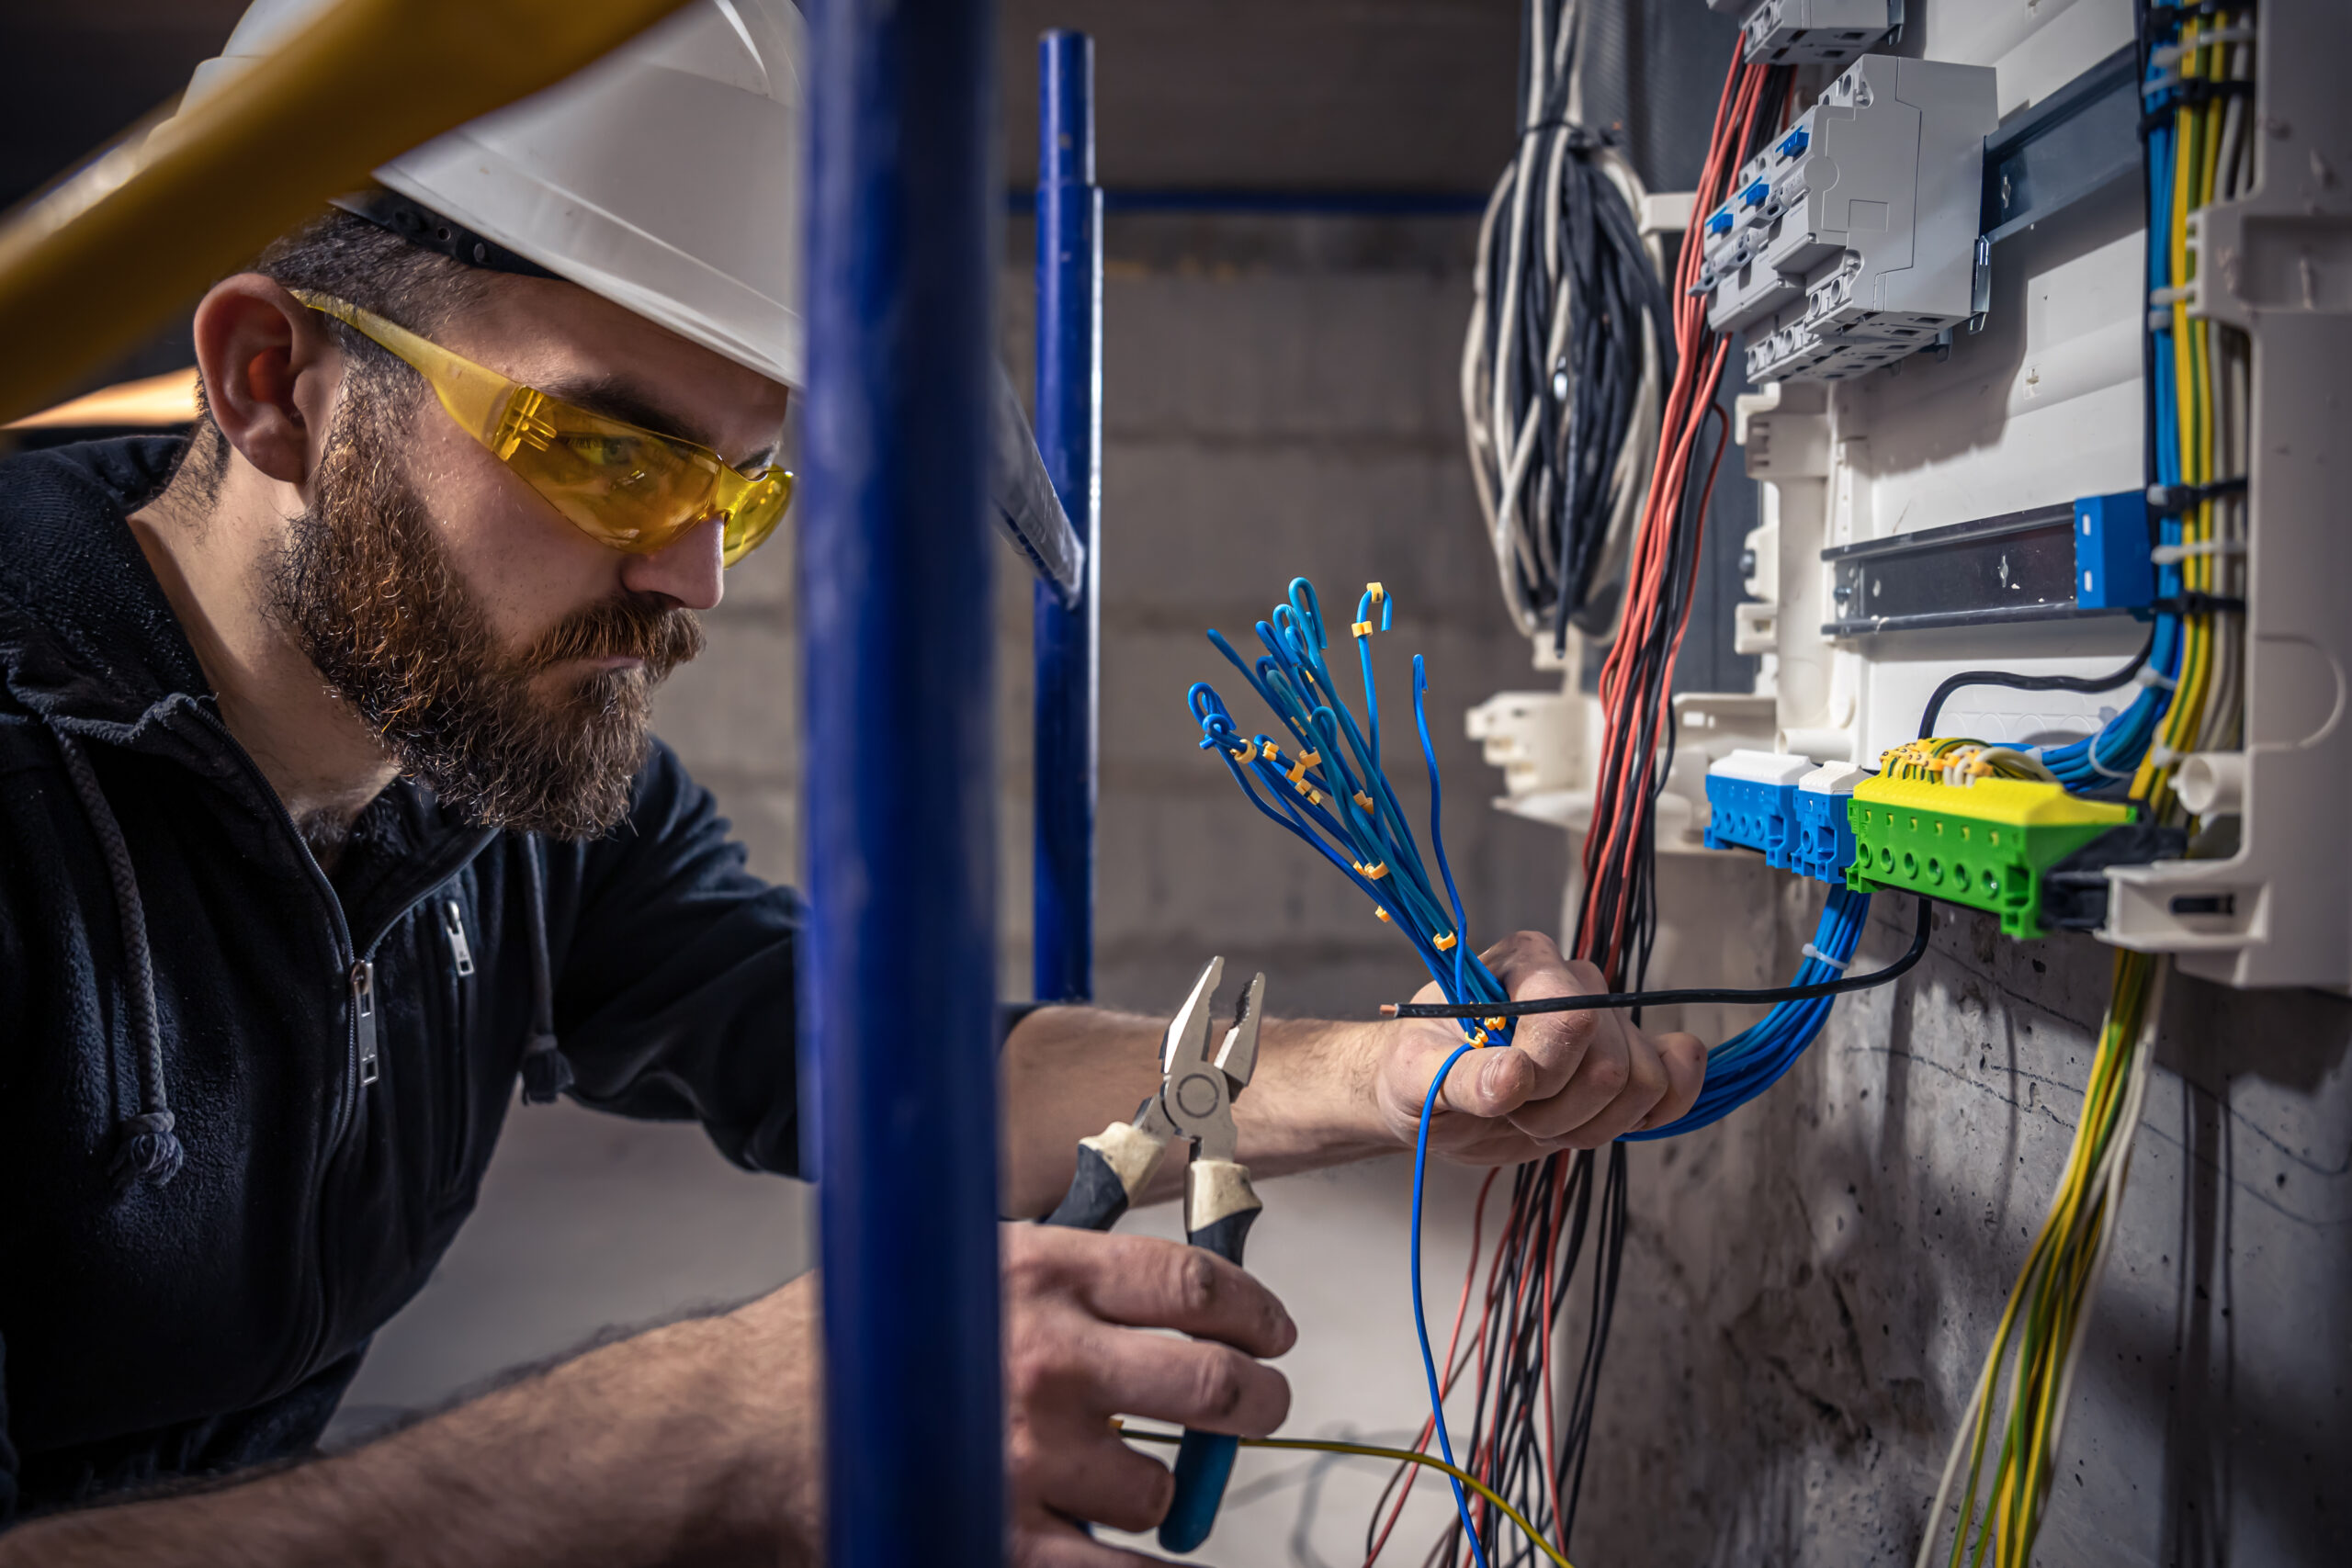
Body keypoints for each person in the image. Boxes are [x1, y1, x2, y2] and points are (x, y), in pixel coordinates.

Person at [0, 3, 1707, 1562]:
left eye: (741, 491)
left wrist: (1388, 1075)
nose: (696, 578)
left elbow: (882, 1064)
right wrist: (692, 1431)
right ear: (271, 382)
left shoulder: (493, 789)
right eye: (602, 452)